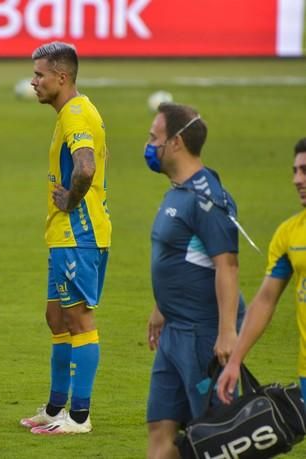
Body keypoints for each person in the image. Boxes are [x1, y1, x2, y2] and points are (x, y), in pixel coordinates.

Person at [19, 41, 111, 435]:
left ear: (62, 77)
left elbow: (85, 168)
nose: (33, 81)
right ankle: (57, 407)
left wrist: (72, 199)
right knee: (56, 316)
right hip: (65, 233)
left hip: (79, 232)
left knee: (77, 317)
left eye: (39, 75)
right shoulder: (71, 112)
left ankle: (78, 417)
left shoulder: (75, 114)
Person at [143, 103, 245, 459]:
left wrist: (228, 332)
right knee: (161, 428)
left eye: (154, 137)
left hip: (203, 334)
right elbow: (181, 256)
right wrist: (161, 307)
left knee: (213, 434)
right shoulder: (178, 191)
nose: (149, 145)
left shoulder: (207, 199)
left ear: (176, 143)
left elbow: (226, 266)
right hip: (174, 330)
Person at [217, 137, 306, 405]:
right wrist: (235, 361)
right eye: (295, 171)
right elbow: (266, 300)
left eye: (305, 170)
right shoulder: (289, 234)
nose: (297, 179)